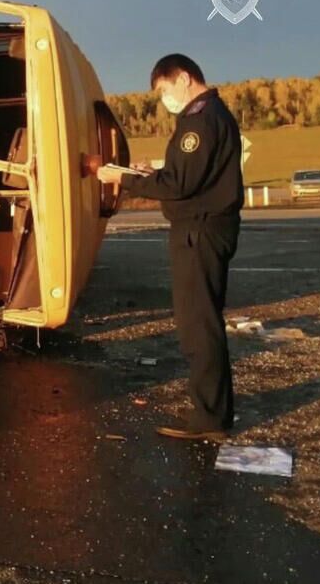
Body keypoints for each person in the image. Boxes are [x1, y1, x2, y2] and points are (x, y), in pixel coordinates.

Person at [98, 54, 243, 441]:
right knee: (202, 320)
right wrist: (151, 174)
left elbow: (180, 185)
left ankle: (209, 419)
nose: (165, 101)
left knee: (199, 325)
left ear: (182, 78)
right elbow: (185, 176)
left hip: (199, 232)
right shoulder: (206, 115)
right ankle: (211, 408)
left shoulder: (200, 121)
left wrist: (124, 179)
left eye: (165, 91)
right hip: (203, 228)